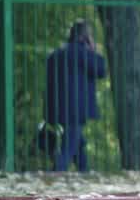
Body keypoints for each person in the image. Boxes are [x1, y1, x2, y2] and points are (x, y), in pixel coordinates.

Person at [45, 19, 108, 172]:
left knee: (77, 141)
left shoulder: (55, 55)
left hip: (56, 105)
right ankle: (57, 172)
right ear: (85, 37)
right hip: (76, 108)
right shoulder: (83, 53)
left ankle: (84, 171)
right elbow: (101, 70)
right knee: (70, 144)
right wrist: (93, 50)